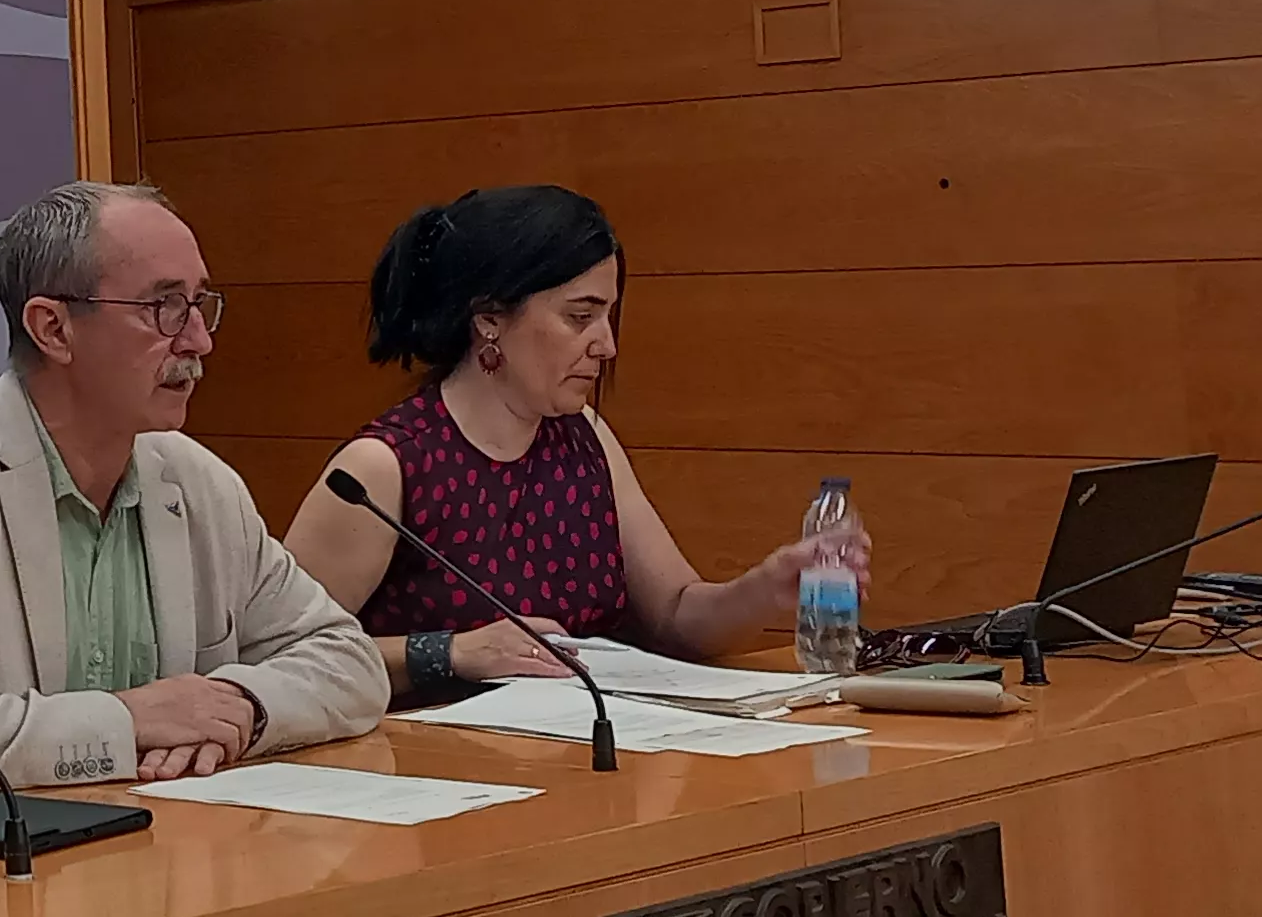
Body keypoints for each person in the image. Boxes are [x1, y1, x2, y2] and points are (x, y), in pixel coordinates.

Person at [0, 180, 386, 792]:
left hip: (155, 834)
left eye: (200, 303)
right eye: (164, 306)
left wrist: (238, 705)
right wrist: (131, 721)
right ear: (53, 329)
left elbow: (348, 661)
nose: (199, 340)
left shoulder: (198, 481)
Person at [279, 184, 871, 702]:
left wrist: (765, 589)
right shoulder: (382, 467)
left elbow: (675, 617)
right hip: (425, 766)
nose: (606, 346)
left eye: (608, 316)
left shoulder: (583, 434)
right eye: (579, 317)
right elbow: (279, 655)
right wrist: (449, 653)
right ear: (489, 318)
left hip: (587, 750)